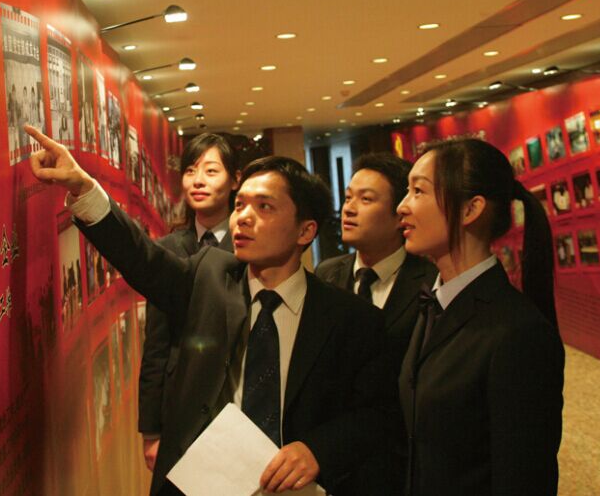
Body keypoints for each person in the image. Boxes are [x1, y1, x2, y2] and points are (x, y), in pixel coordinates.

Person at [24, 126, 390, 495]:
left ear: (305, 231)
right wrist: (83, 187)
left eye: (264, 207)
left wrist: (317, 450)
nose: (243, 217)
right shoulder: (209, 276)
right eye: (240, 205)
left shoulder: (349, 318)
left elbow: (375, 415)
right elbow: (141, 257)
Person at [395, 138, 564, 496]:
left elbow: (523, 478)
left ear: (470, 209)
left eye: (418, 191)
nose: (402, 206)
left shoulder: (518, 333)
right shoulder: (432, 303)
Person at [315, 152, 436, 493]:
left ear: (399, 214)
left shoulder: (429, 282)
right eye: (348, 198)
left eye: (366, 199)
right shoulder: (326, 274)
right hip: (332, 463)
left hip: (398, 465)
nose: (349, 209)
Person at [139, 133, 241, 473]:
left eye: (211, 171)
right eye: (190, 171)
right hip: (178, 400)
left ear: (235, 180)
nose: (198, 181)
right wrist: (151, 430)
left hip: (234, 400)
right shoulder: (167, 249)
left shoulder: (248, 245)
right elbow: (155, 345)